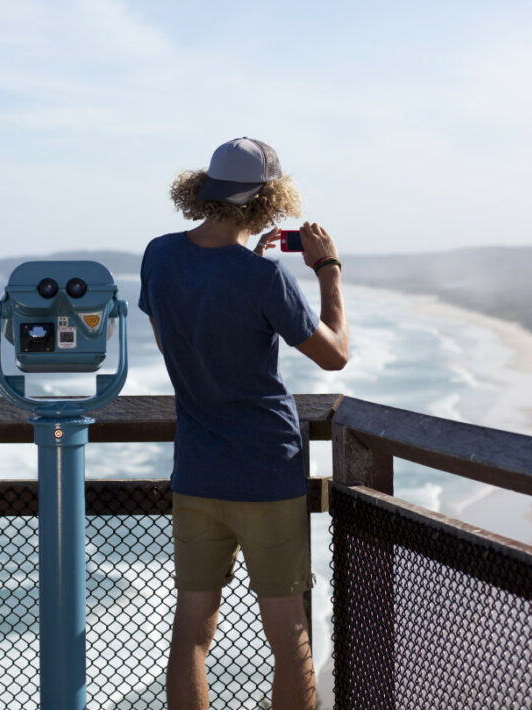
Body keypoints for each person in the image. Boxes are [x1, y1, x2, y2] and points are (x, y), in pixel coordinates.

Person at [138, 137, 349, 710]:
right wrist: (327, 270)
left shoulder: (158, 255)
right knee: (288, 634)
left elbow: (173, 341)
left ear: (202, 189)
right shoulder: (264, 278)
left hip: (197, 470)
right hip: (266, 470)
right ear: (270, 201)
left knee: (193, 631)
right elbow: (335, 355)